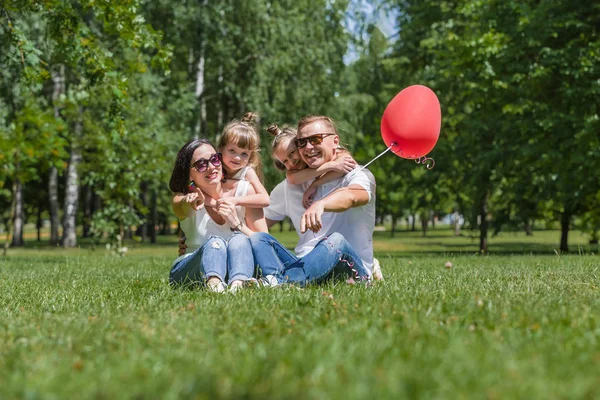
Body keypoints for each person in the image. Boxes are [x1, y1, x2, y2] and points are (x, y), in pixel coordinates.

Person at [250, 117, 380, 286]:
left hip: (349, 271)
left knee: (336, 240)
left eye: (316, 139)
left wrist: (321, 204)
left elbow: (352, 196)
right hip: (303, 263)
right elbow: (258, 223)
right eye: (302, 142)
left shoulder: (356, 174)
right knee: (258, 238)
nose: (309, 147)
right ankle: (279, 280)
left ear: (335, 141)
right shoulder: (289, 186)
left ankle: (279, 282)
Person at [169, 138, 267, 293]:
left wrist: (236, 224)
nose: (211, 167)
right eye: (201, 164)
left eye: (214, 159)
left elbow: (265, 245)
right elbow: (183, 207)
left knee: (240, 239)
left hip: (237, 268)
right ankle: (214, 285)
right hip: (189, 270)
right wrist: (190, 202)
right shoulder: (182, 197)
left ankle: (237, 286)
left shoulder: (245, 192)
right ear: (189, 175)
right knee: (215, 243)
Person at [214, 112, 270, 209]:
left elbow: (265, 199)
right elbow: (194, 183)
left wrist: (236, 200)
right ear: (221, 148)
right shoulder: (215, 167)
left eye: (244, 154)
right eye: (232, 151)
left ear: (250, 156)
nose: (237, 158)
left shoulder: (247, 172)